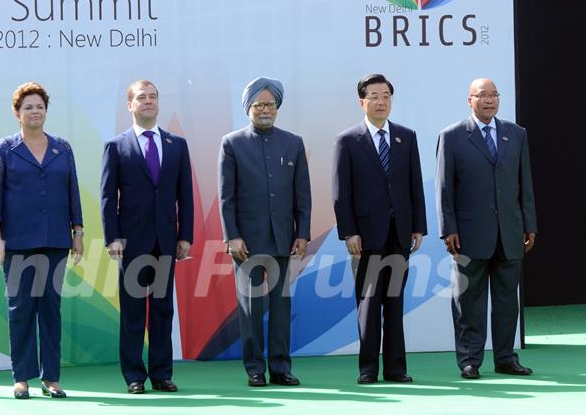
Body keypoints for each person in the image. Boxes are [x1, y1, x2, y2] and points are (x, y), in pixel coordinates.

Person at [0, 82, 84, 399]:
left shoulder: (62, 148)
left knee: (50, 309)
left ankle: (51, 378)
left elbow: (73, 192)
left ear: (46, 111)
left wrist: (77, 233)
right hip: (17, 242)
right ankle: (22, 377)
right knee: (21, 308)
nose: (35, 111)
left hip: (55, 240)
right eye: (28, 106)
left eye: (39, 106)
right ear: (17, 113)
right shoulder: (4, 149)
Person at [436, 78, 537, 379]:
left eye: (494, 95)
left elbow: (525, 185)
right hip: (468, 235)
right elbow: (444, 189)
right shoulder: (452, 136)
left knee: (508, 302)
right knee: (468, 303)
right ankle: (470, 360)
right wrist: (447, 229)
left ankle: (506, 358)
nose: (490, 100)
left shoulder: (516, 134)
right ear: (470, 100)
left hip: (510, 232)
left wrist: (529, 224)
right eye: (483, 95)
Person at [332, 73, 427, 384]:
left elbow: (415, 186)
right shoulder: (348, 140)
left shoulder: (405, 136)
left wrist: (418, 226)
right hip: (366, 238)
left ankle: (396, 369)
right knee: (369, 304)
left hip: (399, 234)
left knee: (395, 302)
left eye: (386, 95)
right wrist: (349, 232)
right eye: (374, 96)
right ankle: (368, 369)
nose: (381, 101)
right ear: (362, 102)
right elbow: (340, 193)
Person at [100, 79, 194, 394]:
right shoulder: (116, 146)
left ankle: (162, 374)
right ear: (130, 105)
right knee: (132, 312)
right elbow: (107, 198)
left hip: (166, 240)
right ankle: (134, 377)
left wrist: (185, 236)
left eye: (153, 96)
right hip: (131, 242)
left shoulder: (177, 145)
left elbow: (186, 196)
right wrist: (112, 237)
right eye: (142, 97)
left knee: (163, 309)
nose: (149, 101)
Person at [218, 77, 311, 387]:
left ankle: (281, 368)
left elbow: (303, 194)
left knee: (281, 306)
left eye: (270, 104)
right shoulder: (232, 143)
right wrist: (232, 235)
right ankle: (255, 369)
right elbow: (226, 197)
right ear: (248, 108)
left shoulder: (293, 142)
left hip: (284, 238)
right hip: (247, 241)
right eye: (258, 105)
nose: (265, 110)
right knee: (251, 308)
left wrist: (303, 233)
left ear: (278, 107)